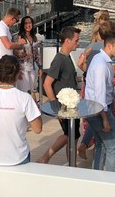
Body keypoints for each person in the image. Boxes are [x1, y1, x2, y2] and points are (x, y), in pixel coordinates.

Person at [0, 55, 42, 165]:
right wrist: (36, 109)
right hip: (18, 157)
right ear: (18, 73)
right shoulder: (25, 98)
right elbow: (38, 129)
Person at [37, 26, 81, 164]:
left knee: (73, 136)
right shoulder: (60, 59)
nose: (78, 43)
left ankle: (71, 165)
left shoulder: (67, 57)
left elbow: (67, 78)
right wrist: (55, 106)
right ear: (67, 41)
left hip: (71, 104)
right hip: (64, 106)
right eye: (76, 40)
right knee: (70, 135)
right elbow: (47, 83)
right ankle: (46, 157)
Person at [84, 32, 115, 172]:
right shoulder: (102, 65)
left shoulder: (101, 59)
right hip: (100, 110)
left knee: (101, 145)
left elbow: (107, 88)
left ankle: (98, 180)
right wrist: (105, 119)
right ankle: (110, 183)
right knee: (114, 148)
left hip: (93, 109)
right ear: (109, 46)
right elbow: (100, 95)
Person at [14, 16, 43, 98]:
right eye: (26, 23)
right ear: (23, 25)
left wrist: (40, 67)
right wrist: (22, 54)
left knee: (32, 90)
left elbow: (37, 54)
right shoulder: (18, 37)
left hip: (32, 67)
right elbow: (14, 53)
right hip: (22, 68)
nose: (28, 25)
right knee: (25, 92)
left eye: (30, 23)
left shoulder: (34, 37)